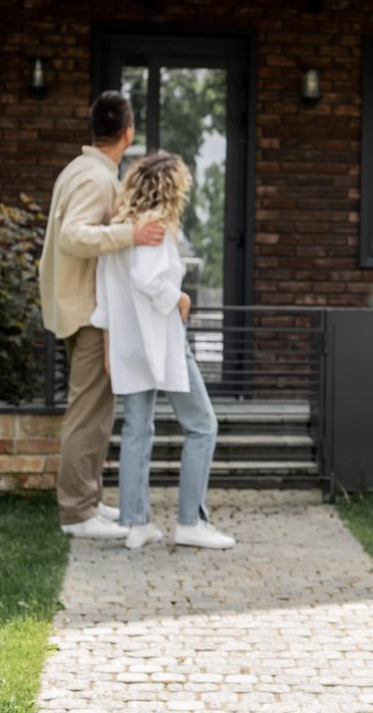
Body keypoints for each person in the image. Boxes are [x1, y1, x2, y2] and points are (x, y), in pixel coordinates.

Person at [91, 152, 235, 551]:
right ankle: (191, 521)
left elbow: (104, 298)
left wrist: (109, 349)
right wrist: (180, 297)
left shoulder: (119, 231)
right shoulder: (155, 228)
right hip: (164, 342)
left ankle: (135, 523)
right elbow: (148, 278)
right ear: (171, 189)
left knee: (138, 430)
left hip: (128, 347)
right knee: (203, 425)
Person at [39, 91, 165, 539]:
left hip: (77, 306)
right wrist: (131, 233)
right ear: (128, 133)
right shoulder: (95, 177)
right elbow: (75, 236)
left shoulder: (80, 168)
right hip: (88, 312)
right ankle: (77, 513)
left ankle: (87, 500)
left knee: (94, 409)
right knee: (89, 412)